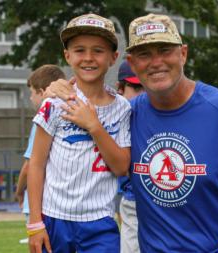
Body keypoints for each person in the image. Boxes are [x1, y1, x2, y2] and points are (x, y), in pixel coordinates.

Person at [48, 13, 218, 253]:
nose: (156, 62)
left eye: (165, 51)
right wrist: (59, 90)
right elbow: (77, 139)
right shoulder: (125, 115)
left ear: (183, 54)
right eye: (145, 54)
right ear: (132, 64)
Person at [27, 14, 131, 253]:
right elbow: (36, 164)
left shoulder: (122, 107)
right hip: (54, 218)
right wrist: (35, 223)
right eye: (79, 50)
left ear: (113, 57)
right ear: (67, 56)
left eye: (98, 50)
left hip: (99, 222)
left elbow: (121, 167)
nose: (88, 58)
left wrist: (94, 126)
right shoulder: (53, 102)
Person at [15, 65, 65, 244]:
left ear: (43, 92)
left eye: (31, 93)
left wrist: (19, 191)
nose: (30, 98)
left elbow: (30, 165)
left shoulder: (43, 120)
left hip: (41, 201)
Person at [116, 60, 144, 253]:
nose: (143, 93)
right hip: (133, 203)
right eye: (136, 87)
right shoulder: (113, 116)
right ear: (120, 89)